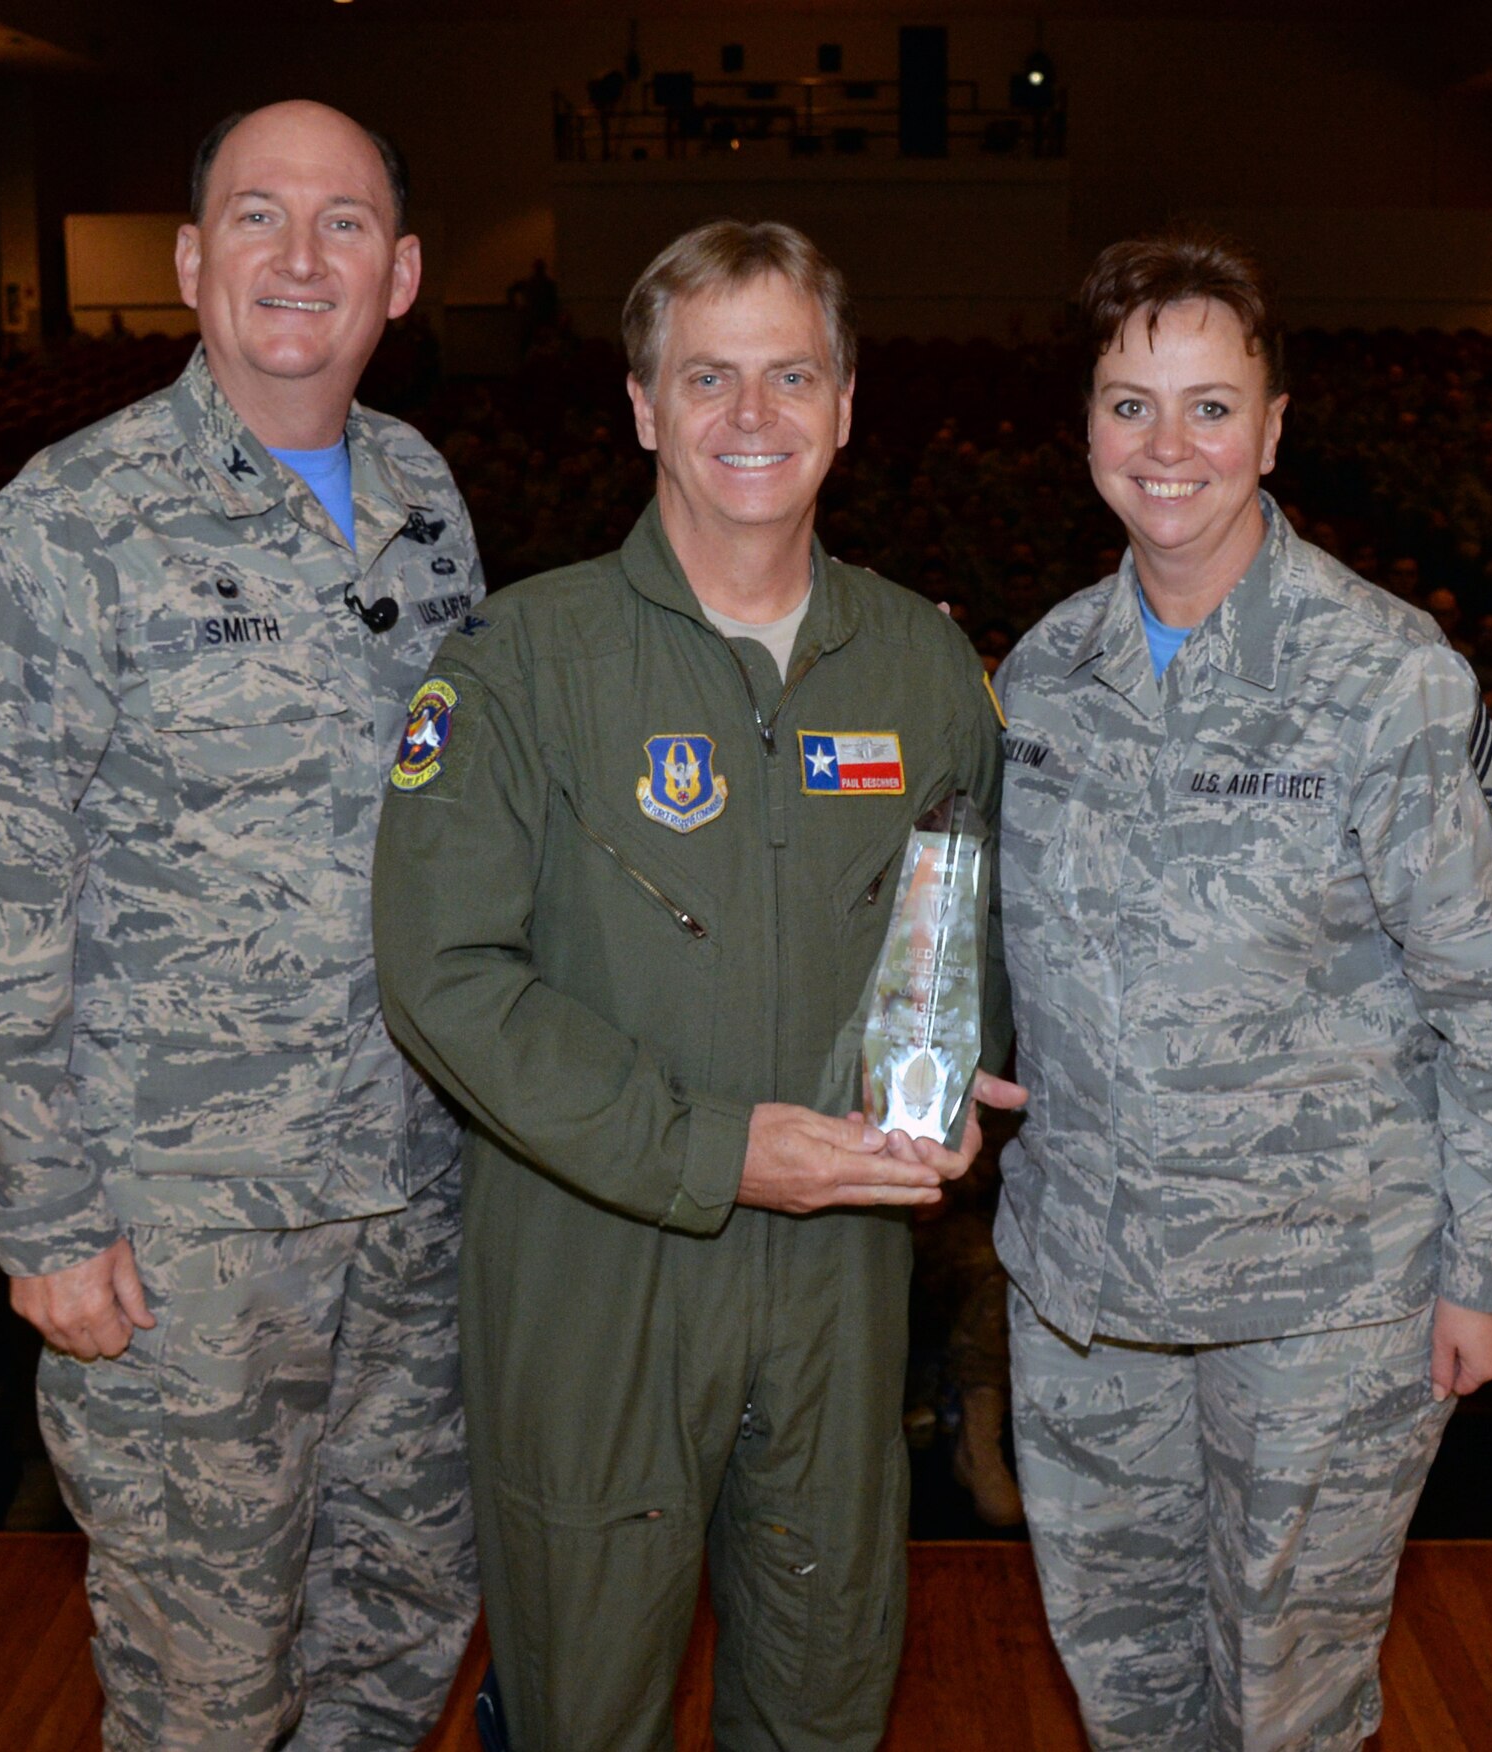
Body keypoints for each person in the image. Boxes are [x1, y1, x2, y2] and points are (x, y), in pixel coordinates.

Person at [373, 220, 1023, 1752]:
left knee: (822, 1692)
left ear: (847, 402)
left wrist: (954, 1089)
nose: (753, 416)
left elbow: (962, 935)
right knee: (582, 1710)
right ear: (644, 406)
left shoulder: (925, 670)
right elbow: (445, 979)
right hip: (595, 1276)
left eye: (790, 374)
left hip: (844, 1290)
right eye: (709, 376)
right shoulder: (522, 663)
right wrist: (715, 1149)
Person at [0, 102, 481, 1752]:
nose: (302, 258)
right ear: (189, 261)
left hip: (415, 1223)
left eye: (346, 222)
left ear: (405, 272)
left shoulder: (427, 497)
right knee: (205, 1701)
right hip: (183, 1253)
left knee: (397, 1651)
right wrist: (43, 1223)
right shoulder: (67, 523)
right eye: (259, 216)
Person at [995, 228, 1492, 1752]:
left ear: (1274, 429)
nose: (1170, 445)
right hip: (1089, 1293)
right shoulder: (1041, 673)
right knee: (1127, 1681)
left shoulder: (1383, 674)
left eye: (1212, 406)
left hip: (1327, 1300)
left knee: (1289, 1698)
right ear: (1085, 425)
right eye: (1131, 403)